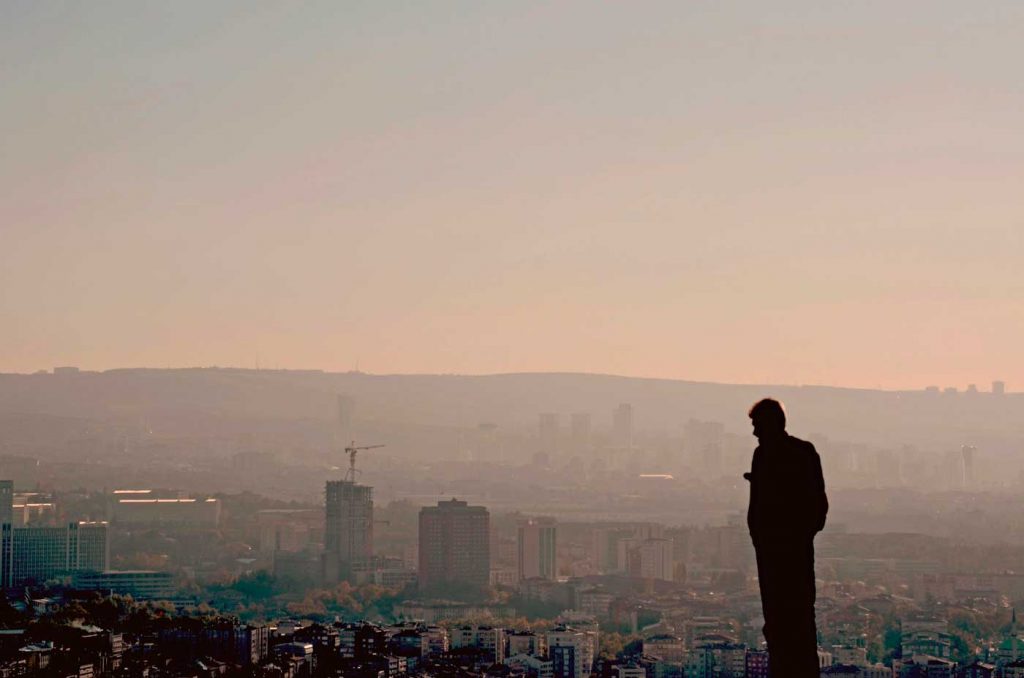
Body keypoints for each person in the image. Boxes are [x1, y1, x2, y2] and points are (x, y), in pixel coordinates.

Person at [744, 398, 828, 678]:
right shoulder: (800, 452)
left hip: (782, 554)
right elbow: (819, 509)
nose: (754, 432)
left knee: (787, 622)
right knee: (790, 622)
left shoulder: (778, 455)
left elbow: (816, 509)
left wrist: (779, 536)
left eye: (757, 425)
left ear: (770, 424)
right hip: (785, 553)